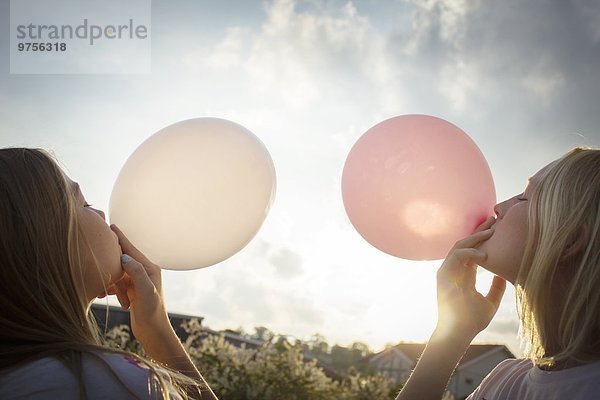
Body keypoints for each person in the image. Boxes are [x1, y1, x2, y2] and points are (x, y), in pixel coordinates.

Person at [0, 147, 218, 399]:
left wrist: (153, 326)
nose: (102, 214)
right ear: (48, 243)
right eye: (83, 203)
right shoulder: (117, 384)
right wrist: (159, 333)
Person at [397, 146, 600, 400]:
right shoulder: (503, 381)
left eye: (524, 197)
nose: (497, 206)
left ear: (568, 240)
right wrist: (452, 333)